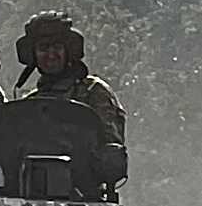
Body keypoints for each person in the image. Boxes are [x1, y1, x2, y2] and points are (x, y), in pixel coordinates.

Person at [14, 11, 127, 154]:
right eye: (43, 48)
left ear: (68, 51)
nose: (51, 54)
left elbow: (111, 146)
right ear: (33, 55)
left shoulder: (93, 92)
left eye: (57, 47)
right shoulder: (31, 103)